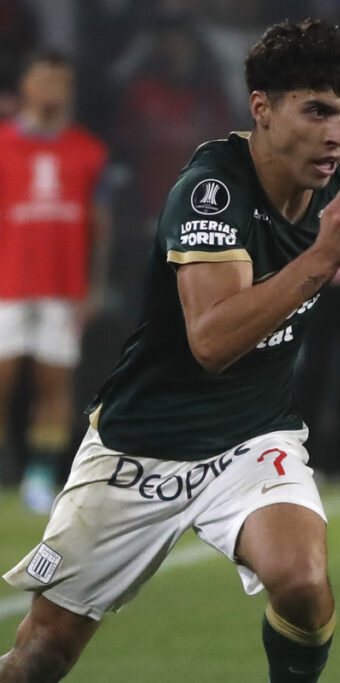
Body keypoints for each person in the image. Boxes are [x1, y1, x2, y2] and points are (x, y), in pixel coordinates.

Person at [0, 18, 340, 683]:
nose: (337, 134)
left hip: (252, 437)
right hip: (144, 446)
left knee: (304, 582)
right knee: (40, 655)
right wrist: (320, 258)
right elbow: (212, 342)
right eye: (316, 111)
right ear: (263, 107)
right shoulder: (211, 191)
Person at [0, 50, 111, 513]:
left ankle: (40, 475)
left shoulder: (88, 150)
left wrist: (95, 284)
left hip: (63, 287)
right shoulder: (3, 145)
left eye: (61, 82)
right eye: (44, 80)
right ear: (25, 86)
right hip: (7, 283)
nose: (53, 91)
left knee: (55, 386)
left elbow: (100, 222)